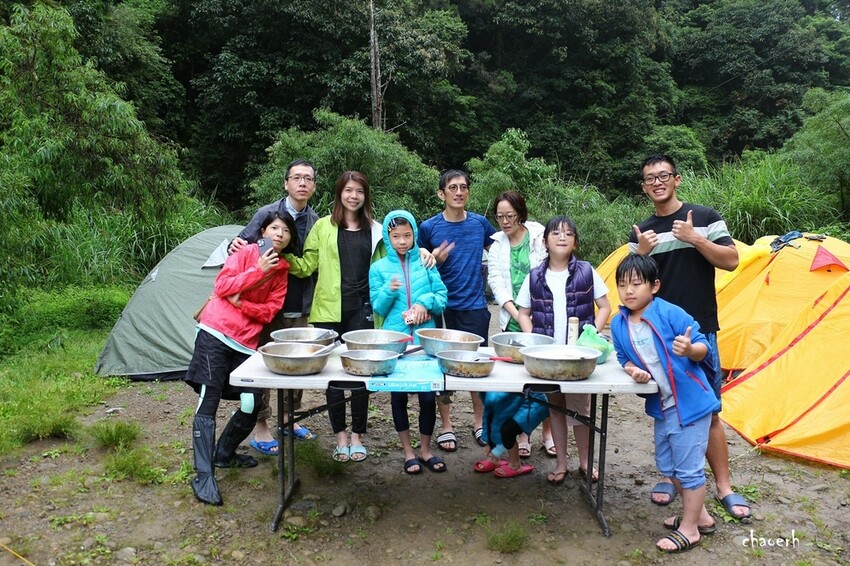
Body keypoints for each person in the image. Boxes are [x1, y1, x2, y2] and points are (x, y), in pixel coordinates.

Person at [629, 154, 750, 522]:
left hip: (700, 332)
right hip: (660, 337)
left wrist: (695, 237)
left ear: (677, 179)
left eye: (663, 175)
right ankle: (671, 476)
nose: (657, 182)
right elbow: (635, 282)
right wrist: (642, 254)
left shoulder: (705, 217)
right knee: (666, 410)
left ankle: (724, 486)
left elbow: (730, 260)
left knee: (709, 411)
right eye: (650, 178)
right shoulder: (642, 230)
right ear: (644, 186)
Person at [186, 210, 296, 505]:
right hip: (215, 333)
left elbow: (270, 311)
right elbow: (221, 287)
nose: (279, 234)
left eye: (285, 231)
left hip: (246, 343)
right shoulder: (245, 252)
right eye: (274, 228)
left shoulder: (283, 270)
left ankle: (224, 454)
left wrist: (242, 303)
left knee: (251, 403)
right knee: (208, 400)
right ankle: (203, 475)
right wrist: (258, 271)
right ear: (263, 232)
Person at [611, 254, 719, 553]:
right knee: (668, 465)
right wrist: (632, 369)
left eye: (636, 284)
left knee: (688, 470)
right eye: (622, 285)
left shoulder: (670, 313)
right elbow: (623, 357)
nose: (629, 291)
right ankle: (702, 517)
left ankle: (689, 529)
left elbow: (703, 347)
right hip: (663, 406)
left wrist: (689, 349)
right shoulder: (619, 323)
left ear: (654, 286)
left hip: (691, 405)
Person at [283, 171, 385, 463]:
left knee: (361, 374)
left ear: (366, 196)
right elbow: (306, 266)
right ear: (340, 193)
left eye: (360, 192)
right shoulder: (323, 227)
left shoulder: (376, 230)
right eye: (349, 190)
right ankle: (340, 436)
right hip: (329, 310)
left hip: (365, 310)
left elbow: (389, 265)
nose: (354, 196)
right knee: (334, 378)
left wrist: (424, 255)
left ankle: (357, 436)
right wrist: (280, 254)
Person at [230, 159, 320, 454]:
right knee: (264, 366)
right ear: (286, 183)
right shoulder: (267, 214)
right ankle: (261, 425)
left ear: (314, 186)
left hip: (301, 304)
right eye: (297, 178)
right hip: (266, 305)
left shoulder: (316, 221)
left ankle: (288, 418)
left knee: (299, 363)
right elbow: (240, 246)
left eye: (308, 179)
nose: (302, 183)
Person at [517, 216, 611, 486]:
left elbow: (605, 306)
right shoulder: (535, 276)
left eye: (568, 234)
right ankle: (561, 463)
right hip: (547, 358)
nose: (561, 237)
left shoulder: (586, 271)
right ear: (545, 240)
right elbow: (523, 312)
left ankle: (584, 462)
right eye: (556, 233)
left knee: (581, 409)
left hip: (578, 359)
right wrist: (531, 337)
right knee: (555, 408)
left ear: (575, 242)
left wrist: (590, 336)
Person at [418, 169, 497, 452]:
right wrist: (433, 258)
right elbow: (417, 265)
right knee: (442, 369)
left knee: (477, 367)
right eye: (452, 187)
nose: (459, 192)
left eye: (463, 187)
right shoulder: (428, 228)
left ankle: (480, 423)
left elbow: (501, 251)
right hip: (442, 308)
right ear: (442, 193)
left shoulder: (481, 224)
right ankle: (447, 426)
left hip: (475, 305)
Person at [369, 211, 448, 474]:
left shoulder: (426, 262)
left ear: (414, 234)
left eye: (407, 235)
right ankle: (407, 452)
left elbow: (442, 297)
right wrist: (388, 290)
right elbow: (378, 308)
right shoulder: (378, 268)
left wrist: (426, 303)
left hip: (425, 344)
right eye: (395, 236)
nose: (402, 241)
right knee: (398, 398)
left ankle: (425, 450)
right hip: (397, 344)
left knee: (427, 399)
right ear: (387, 237)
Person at [486, 191, 555, 459]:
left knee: (545, 381)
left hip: (544, 317)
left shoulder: (539, 237)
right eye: (500, 216)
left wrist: (537, 313)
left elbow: (551, 269)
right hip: (512, 321)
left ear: (520, 213)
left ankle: (547, 434)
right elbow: (497, 283)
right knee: (518, 382)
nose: (505, 221)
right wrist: (517, 314)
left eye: (510, 216)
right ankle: (522, 434)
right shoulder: (496, 246)